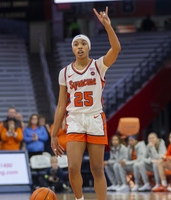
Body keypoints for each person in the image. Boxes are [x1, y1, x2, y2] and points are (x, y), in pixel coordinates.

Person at [51, 6, 121, 200]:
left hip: (95, 118)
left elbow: (116, 49)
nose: (80, 47)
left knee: (97, 168)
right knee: (73, 168)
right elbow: (60, 105)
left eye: (83, 43)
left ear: (89, 47)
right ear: (72, 48)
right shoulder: (64, 72)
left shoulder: (98, 66)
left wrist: (108, 26)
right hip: (74, 120)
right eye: (76, 44)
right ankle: (79, 199)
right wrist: (54, 133)